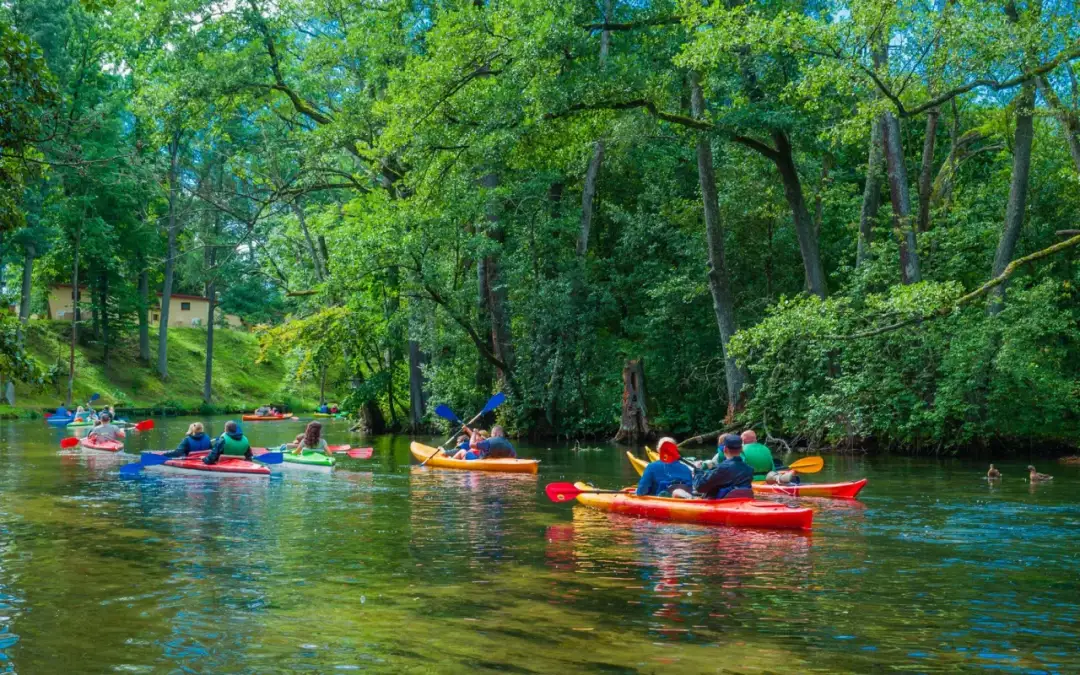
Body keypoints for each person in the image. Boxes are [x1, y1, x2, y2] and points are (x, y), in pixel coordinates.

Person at [693, 433, 754, 499]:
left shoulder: (722, 468)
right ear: (741, 449)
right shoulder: (749, 469)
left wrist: (698, 471)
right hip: (741, 502)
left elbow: (700, 487)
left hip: (721, 504)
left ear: (725, 449)